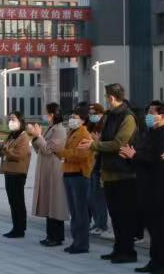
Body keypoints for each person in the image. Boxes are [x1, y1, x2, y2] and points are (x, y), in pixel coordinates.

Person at [82, 83, 138, 263]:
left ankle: (128, 251)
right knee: (115, 214)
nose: (106, 100)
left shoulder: (127, 117)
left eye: (107, 97)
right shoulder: (109, 116)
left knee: (124, 215)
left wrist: (94, 145)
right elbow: (105, 139)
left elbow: (119, 143)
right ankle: (118, 249)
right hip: (109, 171)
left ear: (112, 97)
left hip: (124, 172)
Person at [123, 102, 164, 274]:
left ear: (162, 116)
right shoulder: (150, 133)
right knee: (153, 228)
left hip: (159, 188)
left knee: (160, 228)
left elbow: (158, 160)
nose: (148, 115)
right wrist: (131, 156)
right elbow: (143, 155)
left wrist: (135, 155)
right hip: (147, 186)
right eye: (147, 112)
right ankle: (154, 261)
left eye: (152, 112)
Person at [28, 103, 69, 247]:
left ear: (52, 114)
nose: (45, 115)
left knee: (55, 204)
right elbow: (39, 148)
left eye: (46, 113)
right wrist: (35, 137)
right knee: (48, 203)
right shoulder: (50, 128)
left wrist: (38, 135)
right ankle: (50, 235)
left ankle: (57, 237)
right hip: (46, 169)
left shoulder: (60, 130)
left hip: (55, 170)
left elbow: (47, 149)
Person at [59, 106, 94, 254]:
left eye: (75, 117)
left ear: (83, 120)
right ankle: (76, 241)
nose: (71, 119)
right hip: (68, 173)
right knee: (74, 211)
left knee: (81, 212)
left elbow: (80, 154)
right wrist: (64, 153)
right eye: (71, 116)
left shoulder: (84, 134)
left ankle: (82, 244)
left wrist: (62, 152)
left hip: (79, 175)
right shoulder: (72, 132)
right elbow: (70, 152)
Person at [0, 112, 31, 238]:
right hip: (9, 171)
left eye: (13, 119)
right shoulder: (11, 135)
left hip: (17, 172)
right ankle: (16, 227)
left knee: (18, 201)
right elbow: (4, 152)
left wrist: (4, 149)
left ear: (20, 121)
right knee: (12, 201)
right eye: (10, 119)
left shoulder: (23, 137)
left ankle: (20, 229)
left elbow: (19, 155)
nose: (11, 122)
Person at [86, 103, 111, 237]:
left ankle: (102, 225)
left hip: (100, 165)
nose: (92, 116)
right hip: (92, 165)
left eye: (94, 113)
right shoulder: (91, 126)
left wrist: (96, 141)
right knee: (91, 197)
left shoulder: (104, 127)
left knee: (99, 198)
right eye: (90, 113)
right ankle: (97, 223)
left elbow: (103, 145)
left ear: (101, 114)